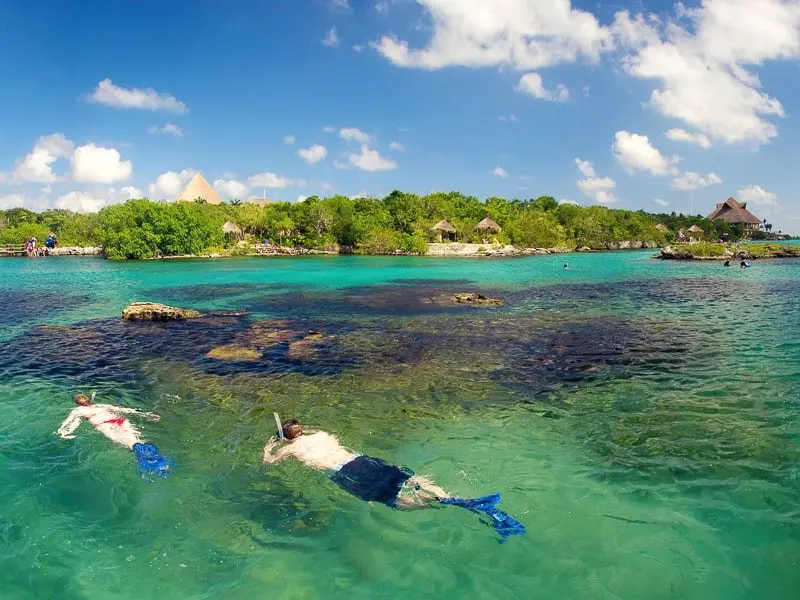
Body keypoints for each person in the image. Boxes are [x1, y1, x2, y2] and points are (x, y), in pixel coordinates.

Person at [263, 418, 525, 539]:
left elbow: (268, 463)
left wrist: (270, 445)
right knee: (410, 481)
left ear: (285, 437)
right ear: (302, 429)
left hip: (345, 474)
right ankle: (455, 499)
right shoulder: (321, 435)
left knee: (391, 500)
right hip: (361, 460)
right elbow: (335, 440)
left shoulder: (290, 449)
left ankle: (448, 504)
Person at [56, 393, 172, 477]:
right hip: (120, 420)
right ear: (89, 400)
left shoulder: (78, 410)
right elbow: (124, 410)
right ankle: (156, 457)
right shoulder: (100, 405)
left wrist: (62, 432)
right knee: (135, 439)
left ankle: (153, 465)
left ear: (77, 403)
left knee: (129, 443)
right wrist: (146, 414)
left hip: (106, 425)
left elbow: (70, 422)